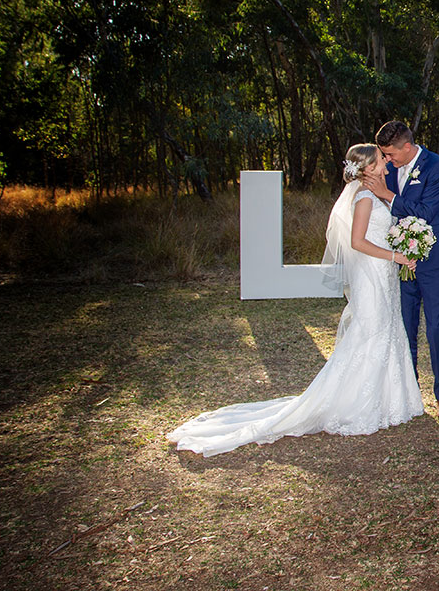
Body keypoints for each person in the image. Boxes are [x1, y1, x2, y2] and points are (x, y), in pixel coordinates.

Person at [167, 144, 424, 457]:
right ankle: (356, 404)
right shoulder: (365, 198)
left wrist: (401, 242)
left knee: (385, 331)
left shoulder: (375, 193)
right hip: (371, 275)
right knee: (370, 334)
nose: (386, 161)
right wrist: (395, 254)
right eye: (381, 158)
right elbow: (357, 243)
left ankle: (390, 401)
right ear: (368, 167)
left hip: (382, 274)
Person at [362, 121, 439, 420]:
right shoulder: (386, 168)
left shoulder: (438, 167)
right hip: (397, 259)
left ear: (407, 146)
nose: (387, 161)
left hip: (433, 258)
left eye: (391, 154)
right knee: (404, 327)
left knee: (435, 327)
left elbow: (428, 212)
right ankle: (408, 390)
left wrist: (388, 196)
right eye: (384, 155)